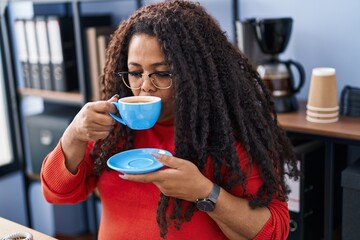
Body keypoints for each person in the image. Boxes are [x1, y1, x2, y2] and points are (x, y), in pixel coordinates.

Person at [41, 1, 300, 239]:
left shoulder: (225, 136)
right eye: (134, 73)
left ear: (195, 74)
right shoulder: (112, 129)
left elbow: (275, 231)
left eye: (162, 73)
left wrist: (204, 192)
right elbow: (56, 193)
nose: (144, 87)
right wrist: (74, 133)